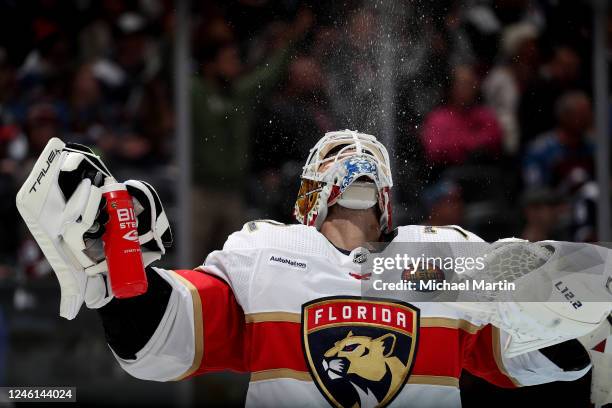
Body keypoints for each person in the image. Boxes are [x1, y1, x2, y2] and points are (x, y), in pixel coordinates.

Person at [16, 131, 604, 408]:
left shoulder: (447, 255)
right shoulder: (263, 251)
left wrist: (586, 319)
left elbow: (535, 353)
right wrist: (121, 258)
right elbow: (158, 340)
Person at [420, 65, 502, 167]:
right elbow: (435, 149)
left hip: (481, 172)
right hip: (447, 173)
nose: (468, 89)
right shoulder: (438, 118)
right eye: (463, 84)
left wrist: (459, 144)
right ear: (452, 87)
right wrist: (472, 143)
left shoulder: (485, 115)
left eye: (471, 84)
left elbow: (495, 140)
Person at [522, 91, 594, 189]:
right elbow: (534, 190)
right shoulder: (541, 150)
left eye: (588, 113)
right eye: (581, 115)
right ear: (565, 116)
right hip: (552, 201)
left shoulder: (593, 147)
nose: (588, 119)